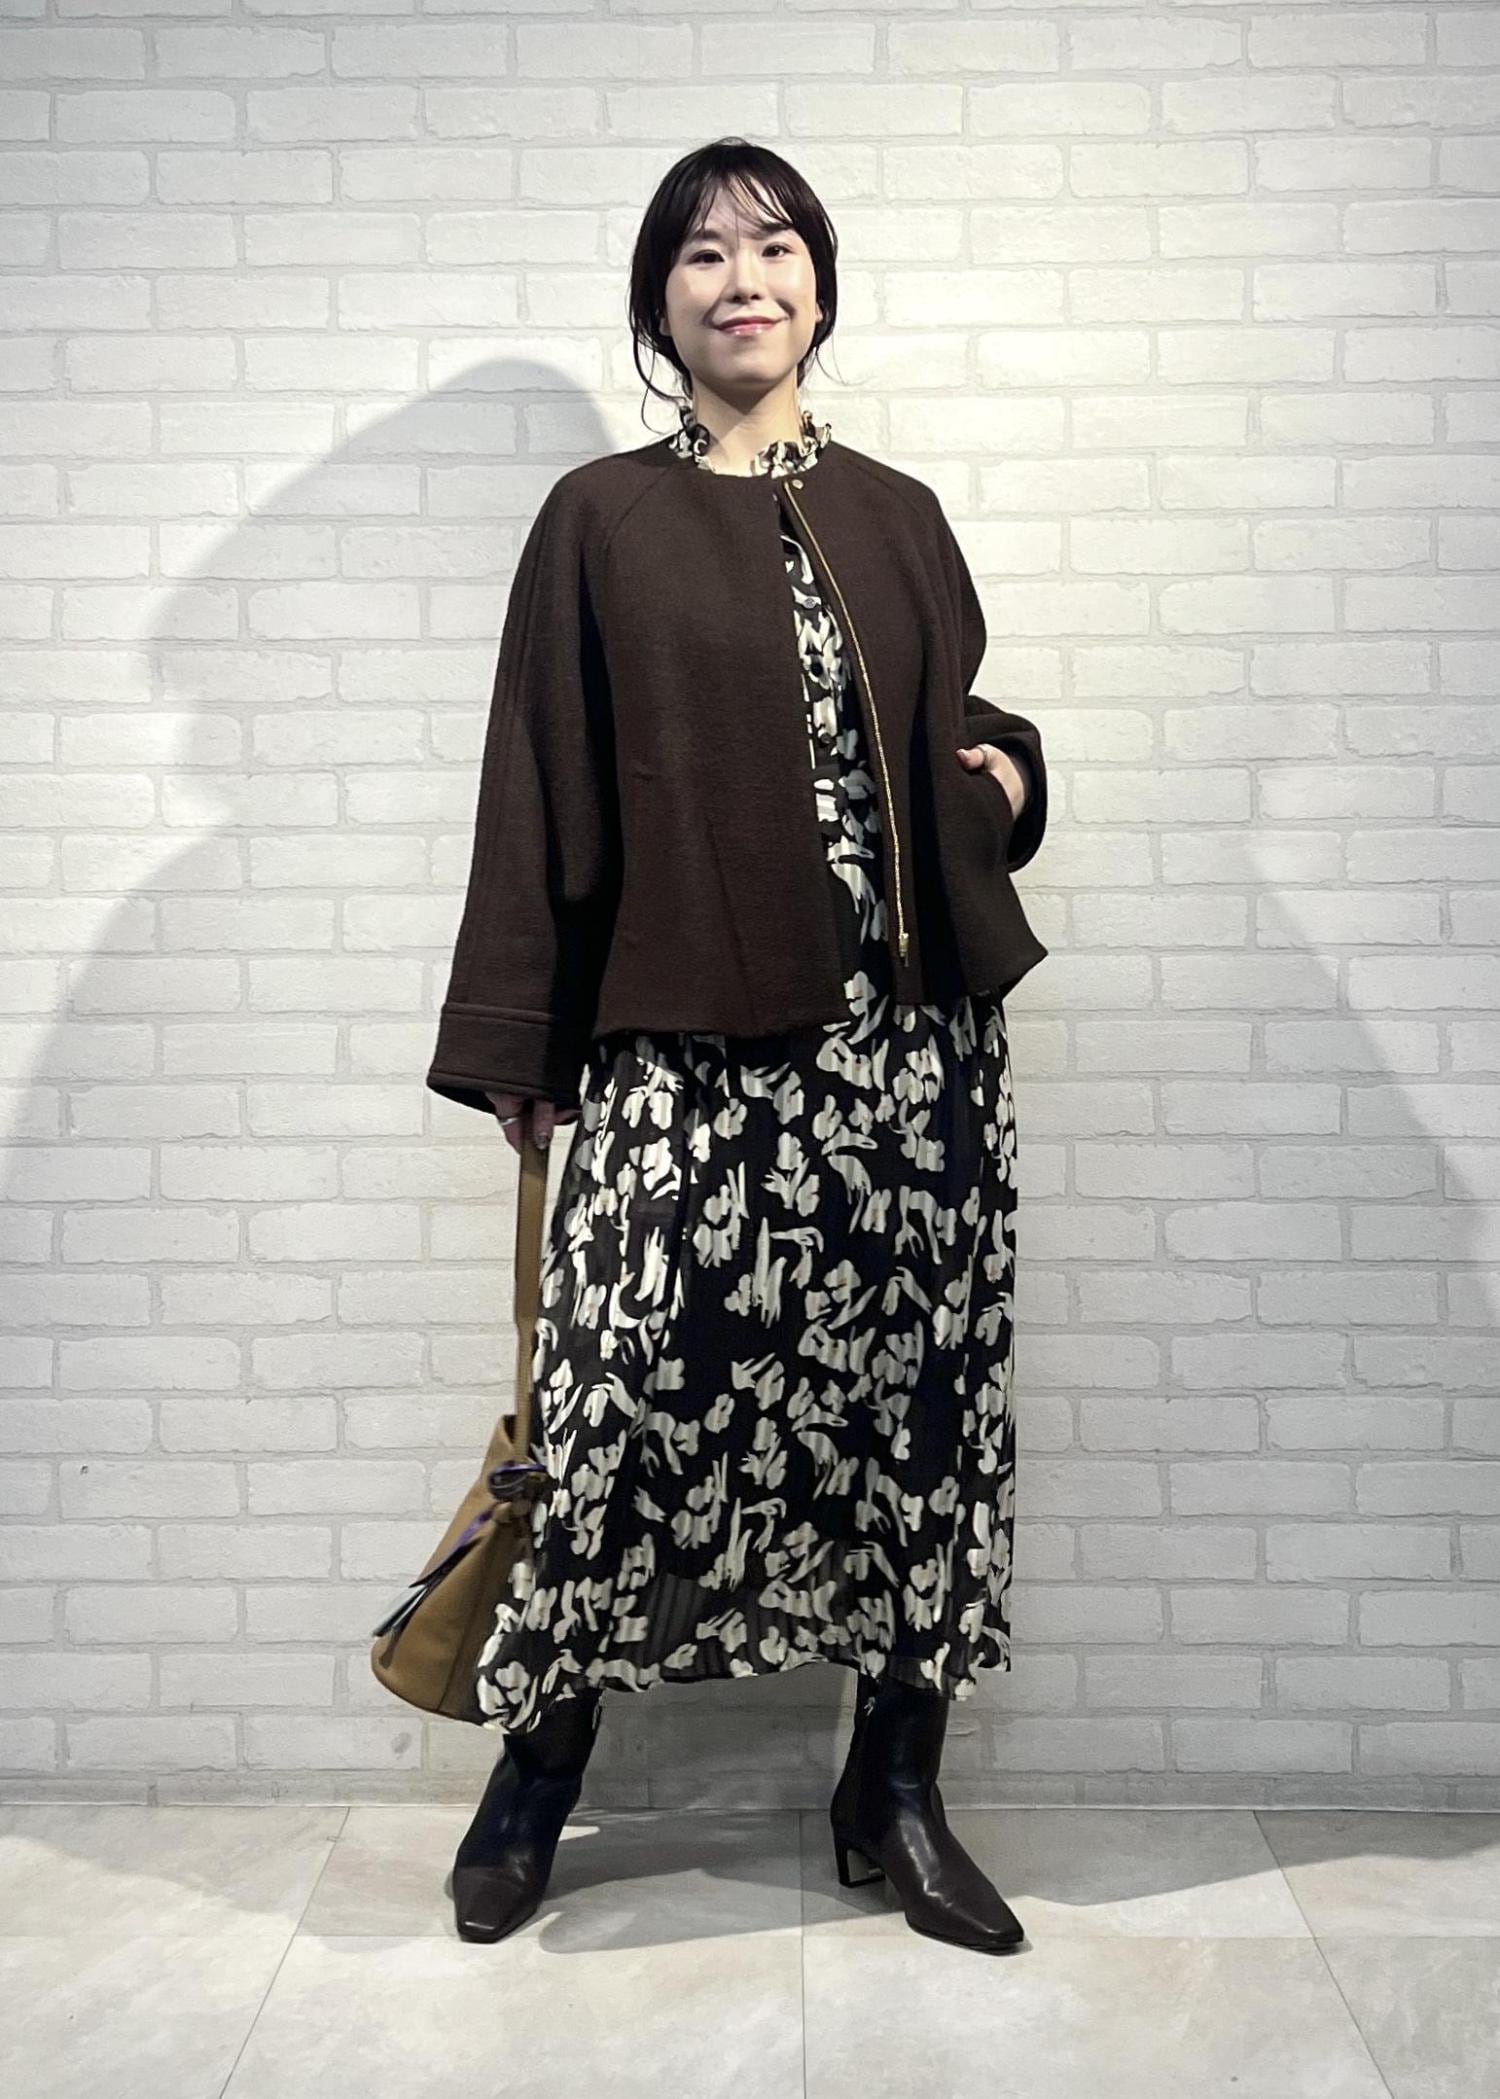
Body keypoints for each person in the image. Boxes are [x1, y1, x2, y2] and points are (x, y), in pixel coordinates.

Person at [437, 137, 1049, 1955]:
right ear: (660, 303)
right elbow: (538, 778)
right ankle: (537, 1767)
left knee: (916, 1419)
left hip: (906, 1053)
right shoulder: (599, 521)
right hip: (685, 1043)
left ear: (820, 287)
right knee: (619, 1405)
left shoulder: (899, 513)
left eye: (774, 247)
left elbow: (947, 721)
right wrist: (522, 1034)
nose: (743, 280)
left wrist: (1014, 781)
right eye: (702, 255)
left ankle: (897, 1789)